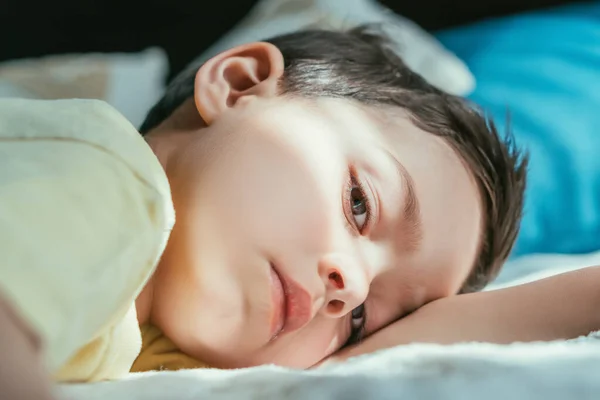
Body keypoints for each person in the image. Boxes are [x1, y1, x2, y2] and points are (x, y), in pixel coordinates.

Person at [7, 26, 594, 400]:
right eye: (359, 204)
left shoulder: (163, 338)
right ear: (239, 85)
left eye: (361, 319)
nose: (351, 287)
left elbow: (415, 347)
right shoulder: (103, 175)